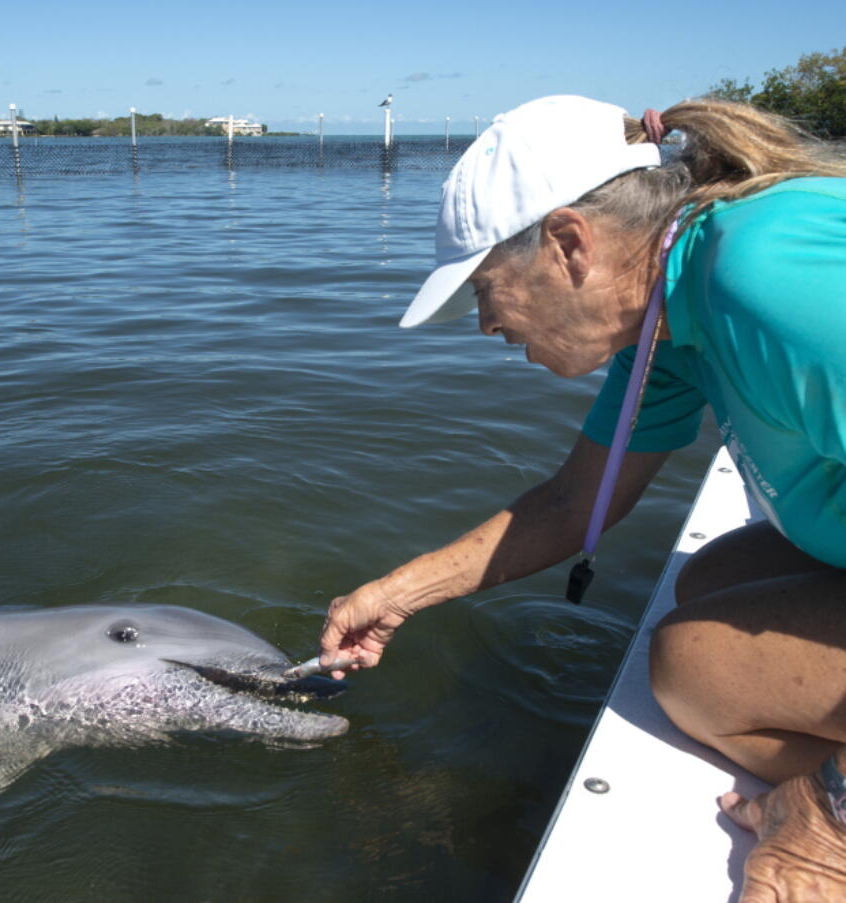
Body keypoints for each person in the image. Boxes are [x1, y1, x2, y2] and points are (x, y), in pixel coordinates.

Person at [317, 95, 846, 900]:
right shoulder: (672, 318)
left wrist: (828, 815)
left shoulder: (763, 273)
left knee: (694, 665)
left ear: (569, 244)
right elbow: (573, 502)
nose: (486, 325)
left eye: (486, 291)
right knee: (713, 583)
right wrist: (398, 595)